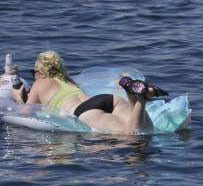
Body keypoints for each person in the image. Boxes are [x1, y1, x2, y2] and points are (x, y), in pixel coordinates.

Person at [13, 51, 167, 133]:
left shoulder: (40, 83)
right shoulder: (68, 80)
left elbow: (26, 113)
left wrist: (18, 98)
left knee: (130, 134)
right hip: (105, 99)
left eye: (34, 71)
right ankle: (133, 96)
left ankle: (140, 99)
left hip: (84, 111)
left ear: (40, 71)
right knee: (145, 129)